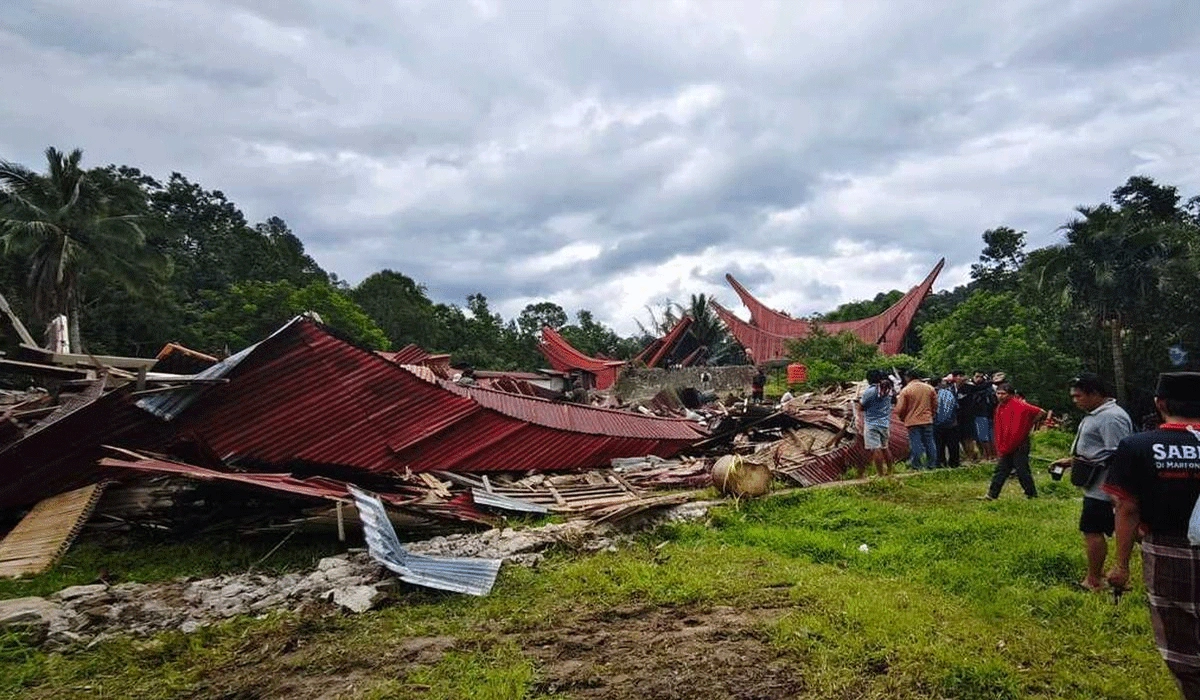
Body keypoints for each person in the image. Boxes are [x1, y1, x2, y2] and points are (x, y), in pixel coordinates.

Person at [1105, 372, 1200, 698]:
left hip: (1167, 553)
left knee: (1182, 649)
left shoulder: (1137, 446)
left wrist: (1120, 565)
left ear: (1159, 403)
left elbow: (1127, 508)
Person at [1051, 373, 1132, 591]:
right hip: (1096, 486)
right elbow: (1098, 450)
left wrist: (1116, 493)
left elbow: (1119, 455)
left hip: (1105, 490)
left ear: (1095, 393)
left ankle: (1094, 580)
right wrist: (1071, 462)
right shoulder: (1096, 414)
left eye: (1078, 396)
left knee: (1093, 531)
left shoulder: (1111, 418)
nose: (1075, 401)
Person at [980, 381, 1047, 500]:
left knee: (1022, 471)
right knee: (1001, 470)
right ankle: (991, 494)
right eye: (998, 393)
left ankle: (1031, 494)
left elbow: (1041, 412)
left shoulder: (1020, 405)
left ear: (1010, 394)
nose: (1000, 396)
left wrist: (1029, 424)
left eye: (1003, 394)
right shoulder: (1000, 407)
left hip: (1020, 442)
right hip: (1007, 442)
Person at [895, 368, 938, 470]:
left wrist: (903, 418)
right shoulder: (929, 388)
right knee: (930, 443)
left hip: (912, 421)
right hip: (927, 419)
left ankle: (917, 465)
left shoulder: (906, 390)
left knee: (916, 443)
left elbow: (900, 408)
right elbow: (935, 404)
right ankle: (931, 464)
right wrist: (931, 414)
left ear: (907, 378)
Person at [858, 370, 895, 478]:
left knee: (876, 448)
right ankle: (890, 471)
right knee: (885, 447)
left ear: (869, 380)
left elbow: (860, 407)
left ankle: (880, 474)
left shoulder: (870, 391)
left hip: (872, 423)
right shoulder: (887, 390)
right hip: (884, 423)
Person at [934, 376, 961, 468]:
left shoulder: (932, 393)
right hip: (951, 423)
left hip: (937, 424)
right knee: (953, 445)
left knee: (939, 445)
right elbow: (955, 406)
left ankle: (941, 462)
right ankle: (954, 463)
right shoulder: (948, 393)